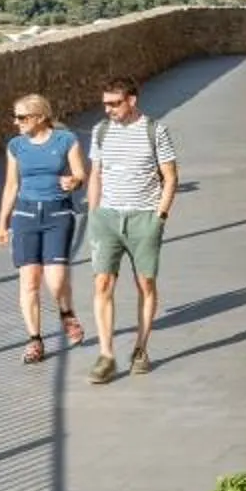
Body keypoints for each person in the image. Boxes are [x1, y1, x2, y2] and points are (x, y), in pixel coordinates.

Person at [82, 76, 178, 386]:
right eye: (105, 104)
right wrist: (94, 213)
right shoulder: (100, 131)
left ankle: (140, 349)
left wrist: (159, 217)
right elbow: (95, 174)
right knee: (102, 284)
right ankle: (106, 355)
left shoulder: (155, 131)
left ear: (131, 100)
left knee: (145, 284)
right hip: (107, 218)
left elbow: (170, 176)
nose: (108, 109)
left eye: (114, 103)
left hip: (143, 218)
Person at [0, 93, 87, 365]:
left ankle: (66, 312)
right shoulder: (16, 146)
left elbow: (81, 174)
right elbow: (11, 185)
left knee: (56, 280)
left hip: (58, 213)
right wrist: (3, 222)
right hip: (25, 214)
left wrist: (75, 182)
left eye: (22, 117)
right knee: (29, 280)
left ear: (40, 117)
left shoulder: (66, 140)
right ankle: (34, 339)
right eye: (15, 117)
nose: (16, 122)